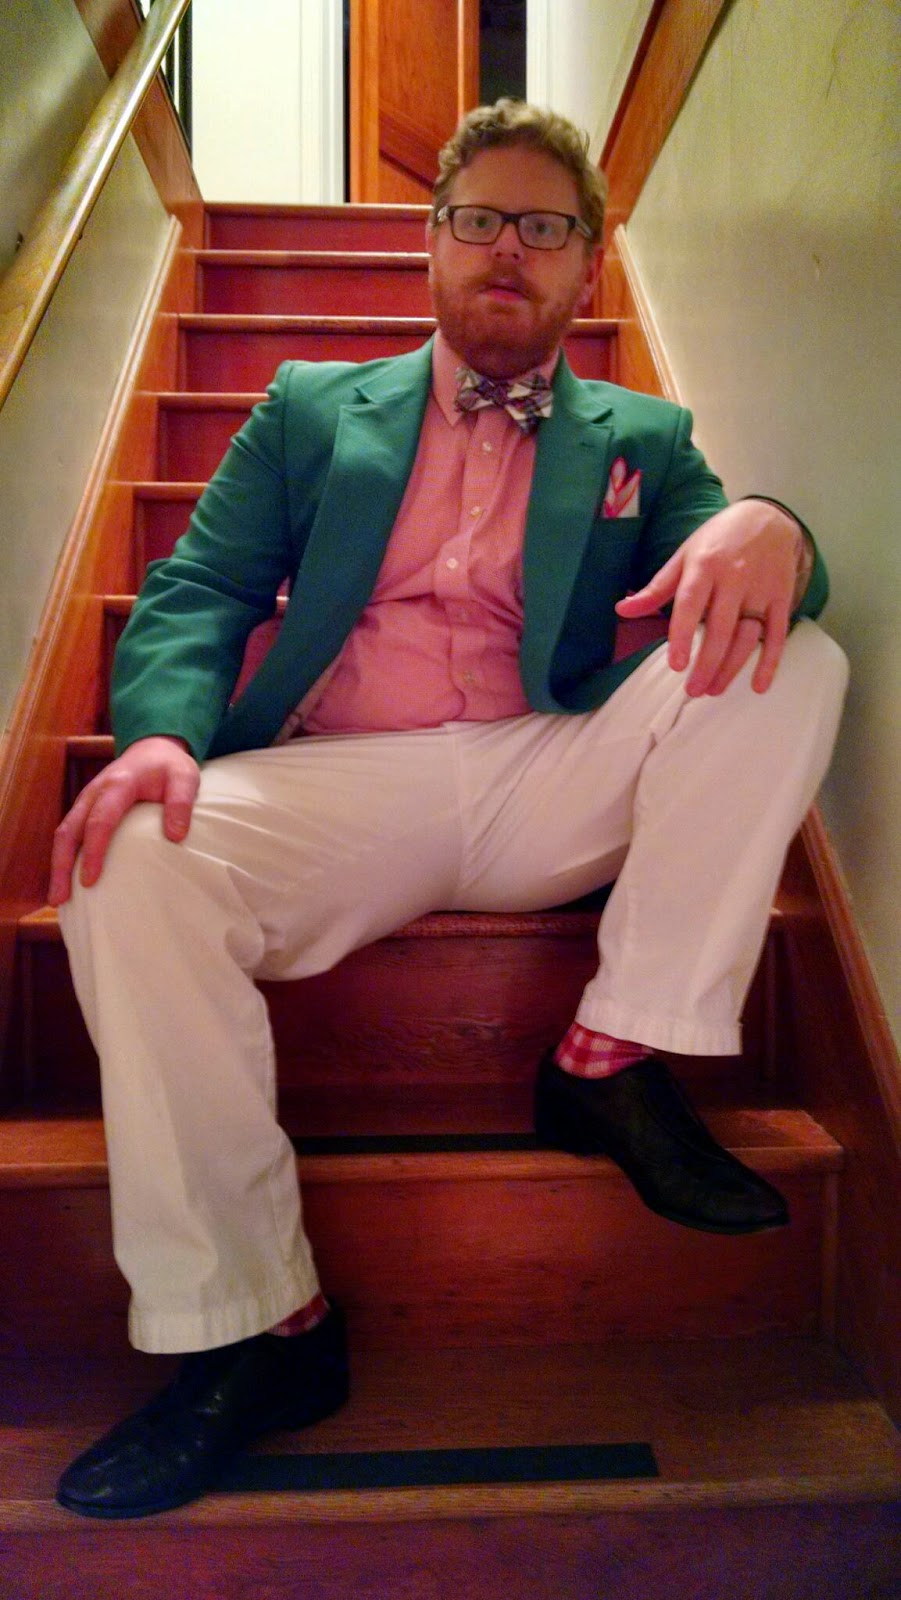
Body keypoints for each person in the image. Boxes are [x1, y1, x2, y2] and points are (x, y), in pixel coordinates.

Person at [48, 100, 847, 1519]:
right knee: (129, 864)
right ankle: (256, 1328)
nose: (507, 249)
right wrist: (161, 736)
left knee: (801, 660)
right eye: (479, 219)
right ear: (431, 245)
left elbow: (742, 588)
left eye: (544, 226)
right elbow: (200, 587)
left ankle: (612, 1052)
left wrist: (770, 525)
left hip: (552, 766)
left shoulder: (645, 435)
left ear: (587, 266)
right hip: (340, 779)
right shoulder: (308, 407)